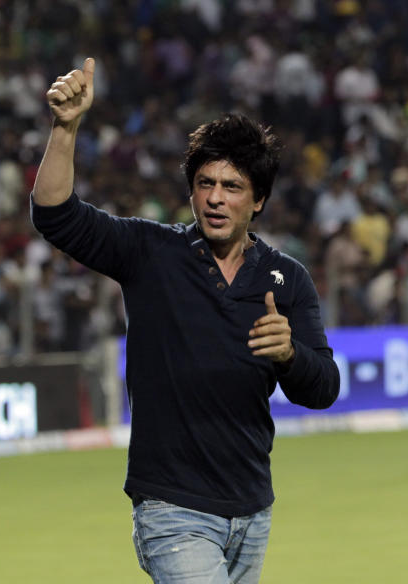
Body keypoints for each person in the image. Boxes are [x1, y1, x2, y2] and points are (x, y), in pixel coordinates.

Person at [32, 58, 340, 583]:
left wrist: (289, 355)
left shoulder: (287, 279)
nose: (216, 198)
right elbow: (55, 215)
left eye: (233, 186)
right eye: (205, 183)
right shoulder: (150, 252)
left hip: (251, 508)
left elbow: (324, 389)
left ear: (259, 200)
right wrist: (66, 128)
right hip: (171, 508)